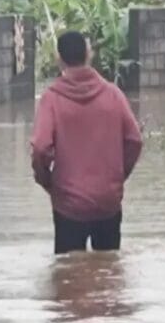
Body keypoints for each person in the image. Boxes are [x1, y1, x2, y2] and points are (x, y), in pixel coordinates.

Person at [30, 31, 143, 254]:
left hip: (69, 205)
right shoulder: (113, 95)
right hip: (107, 203)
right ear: (89, 54)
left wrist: (48, 182)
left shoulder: (51, 99)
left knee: (68, 278)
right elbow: (134, 140)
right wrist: (117, 177)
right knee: (108, 276)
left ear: (59, 59)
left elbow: (41, 147)